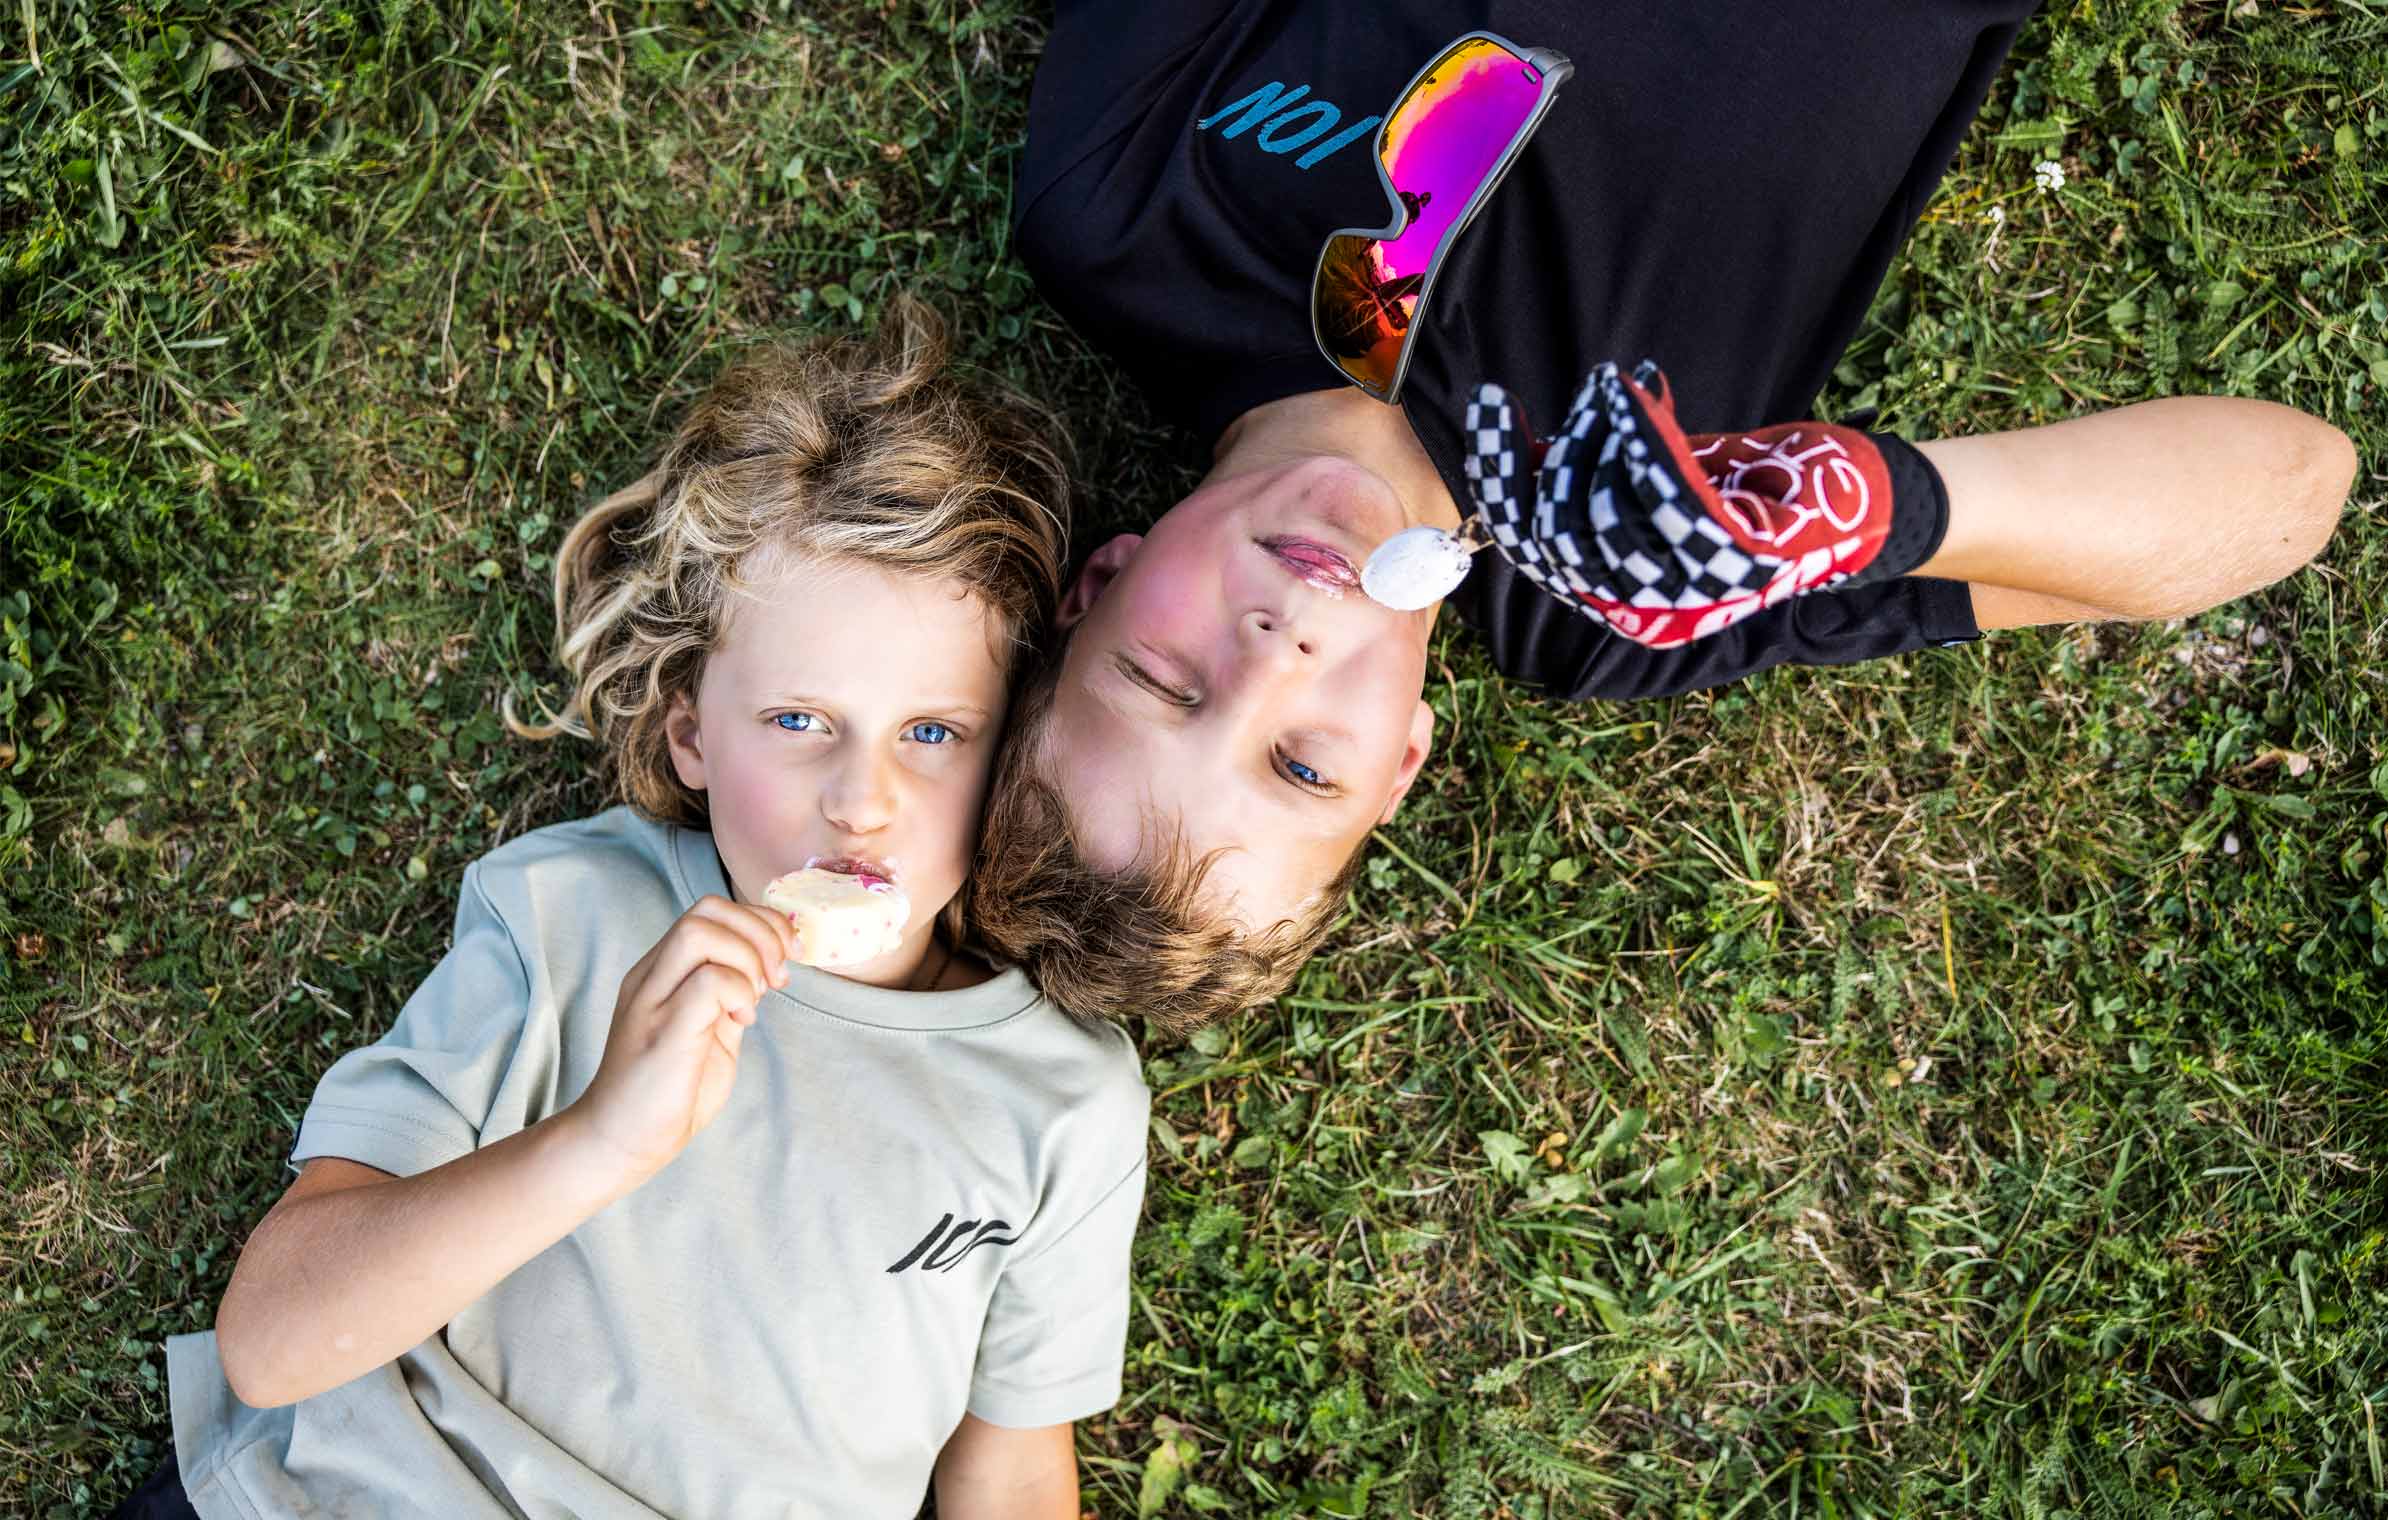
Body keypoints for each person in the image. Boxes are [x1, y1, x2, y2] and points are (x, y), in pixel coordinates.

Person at [968, 1, 2358, 1033]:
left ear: (1098, 585)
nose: (1271, 655)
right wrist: (1865, 508)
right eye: (1304, 770)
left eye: (1163, 680)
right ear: (1402, 762)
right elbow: (2294, 489)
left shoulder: (1117, 212)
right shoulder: (1632, 593)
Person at [126, 301, 1149, 1520]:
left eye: (932, 732)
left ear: (1008, 756)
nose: (860, 800)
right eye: (797, 721)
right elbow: (275, 1342)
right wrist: (602, 1136)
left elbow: (1013, 1462)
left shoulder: (1063, 1100)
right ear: (691, 735)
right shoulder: (573, 912)